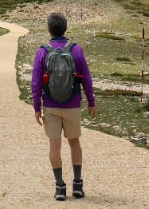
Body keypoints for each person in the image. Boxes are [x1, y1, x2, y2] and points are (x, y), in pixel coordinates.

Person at [32, 12, 97, 201]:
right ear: (65, 28)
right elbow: (86, 78)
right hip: (73, 105)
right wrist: (91, 102)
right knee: (74, 143)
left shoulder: (42, 51)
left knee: (55, 145)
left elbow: (36, 82)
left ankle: (60, 187)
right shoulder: (76, 50)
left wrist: (37, 106)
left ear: (49, 30)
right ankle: (77, 185)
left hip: (50, 106)